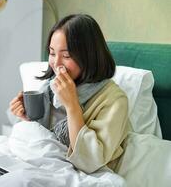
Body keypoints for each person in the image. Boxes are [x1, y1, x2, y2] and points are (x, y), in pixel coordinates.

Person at [9, 14, 131, 174]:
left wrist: (72, 105)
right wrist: (28, 118)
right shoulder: (49, 88)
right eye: (52, 53)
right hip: (39, 168)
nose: (56, 63)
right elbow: (42, 141)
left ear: (89, 56)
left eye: (66, 56)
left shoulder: (114, 100)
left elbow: (92, 161)